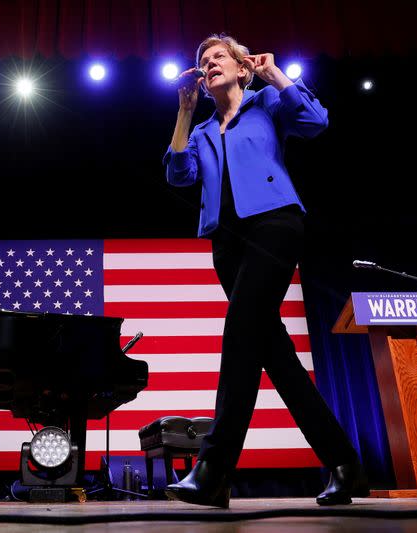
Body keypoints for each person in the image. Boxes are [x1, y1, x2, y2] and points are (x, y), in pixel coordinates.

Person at [162, 34, 368, 508]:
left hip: (275, 226)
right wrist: (185, 111)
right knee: (277, 359)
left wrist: (275, 73)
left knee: (238, 335)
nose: (209, 64)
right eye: (203, 61)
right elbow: (178, 175)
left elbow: (317, 121)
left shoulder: (267, 102)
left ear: (242, 68)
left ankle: (213, 469)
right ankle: (344, 465)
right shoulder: (202, 129)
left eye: (218, 58)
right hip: (227, 245)